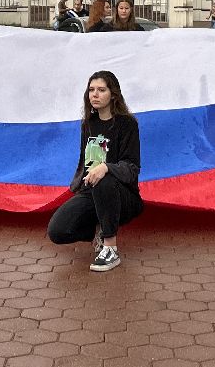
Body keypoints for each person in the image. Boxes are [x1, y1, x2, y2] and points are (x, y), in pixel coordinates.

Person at [46, 70, 143, 272]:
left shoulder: (127, 124)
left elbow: (132, 168)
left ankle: (110, 248)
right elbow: (85, 162)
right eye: (91, 90)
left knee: (104, 178)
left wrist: (106, 167)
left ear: (113, 94)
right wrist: (79, 187)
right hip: (92, 192)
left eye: (101, 90)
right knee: (57, 231)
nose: (95, 94)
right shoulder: (89, 124)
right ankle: (101, 227)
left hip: (122, 194)